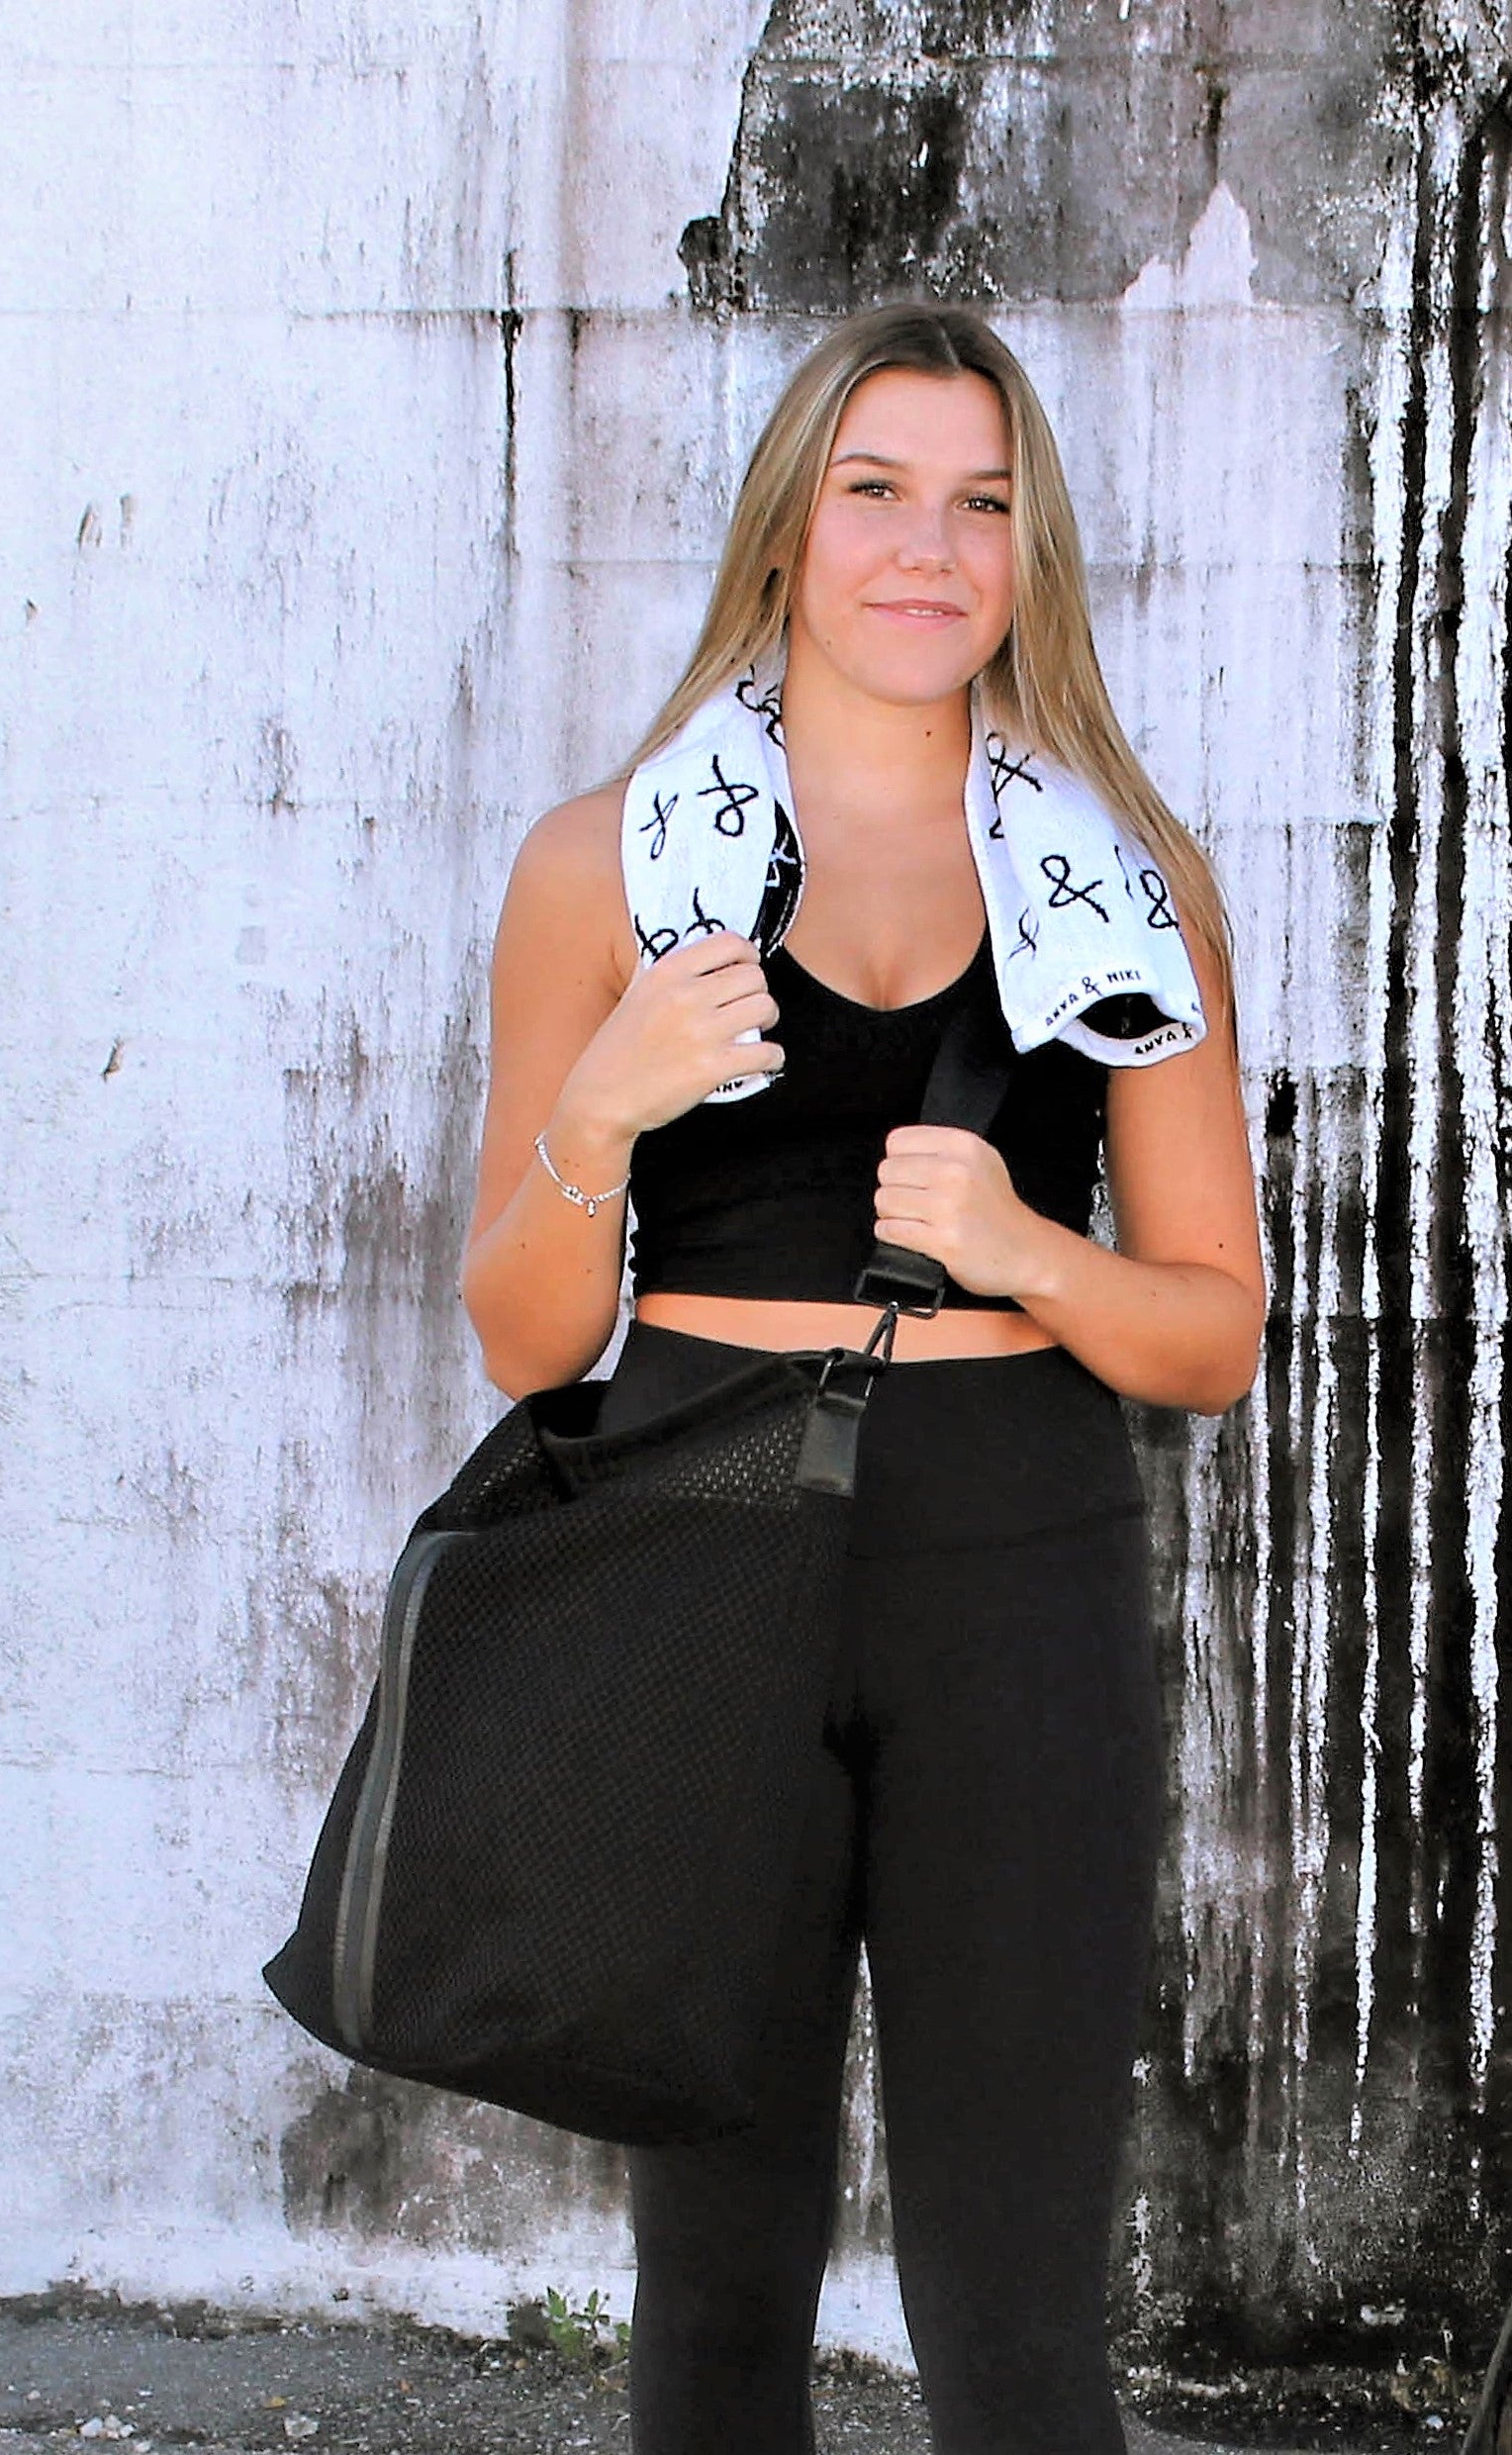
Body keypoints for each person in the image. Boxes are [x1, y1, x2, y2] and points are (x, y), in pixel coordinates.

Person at [460, 303, 1265, 2455]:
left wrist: (1025, 1247)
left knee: (1012, 2293)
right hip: (691, 1538)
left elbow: (1212, 1325)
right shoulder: (605, 861)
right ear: (790, 533)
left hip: (1013, 1542)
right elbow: (533, 1337)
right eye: (878, 491)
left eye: (982, 501)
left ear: (1032, 548)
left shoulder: (1123, 878)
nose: (931, 546)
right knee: (717, 2270)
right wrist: (598, 1118)